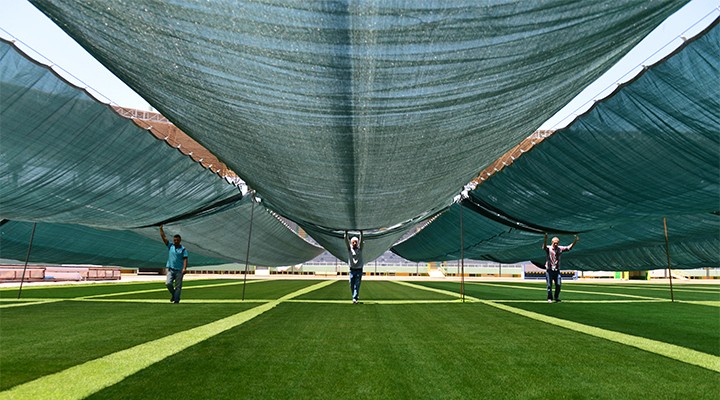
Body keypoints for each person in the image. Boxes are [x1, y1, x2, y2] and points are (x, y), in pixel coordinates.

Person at [541, 233, 578, 303]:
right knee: (549, 285)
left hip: (557, 270)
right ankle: (550, 298)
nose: (556, 245)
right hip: (549, 270)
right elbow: (544, 247)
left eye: (557, 243)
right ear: (552, 242)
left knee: (558, 284)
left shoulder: (560, 249)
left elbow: (569, 247)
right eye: (555, 243)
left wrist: (575, 241)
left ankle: (556, 297)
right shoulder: (548, 248)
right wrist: (545, 239)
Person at [160, 225, 188, 304]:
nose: (175, 241)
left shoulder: (183, 249)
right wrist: (161, 229)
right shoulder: (170, 246)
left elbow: (185, 258)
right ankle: (174, 294)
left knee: (178, 287)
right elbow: (164, 238)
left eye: (177, 240)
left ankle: (176, 300)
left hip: (179, 270)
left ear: (180, 241)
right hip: (170, 269)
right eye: (174, 240)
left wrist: (184, 268)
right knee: (168, 283)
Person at [344, 230, 364, 304]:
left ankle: (354, 298)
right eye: (353, 242)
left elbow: (362, 241)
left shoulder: (360, 249)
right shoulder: (350, 250)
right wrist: (346, 234)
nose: (355, 243)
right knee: (351, 283)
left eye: (356, 242)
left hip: (359, 269)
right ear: (351, 243)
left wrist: (361, 233)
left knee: (357, 284)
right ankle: (355, 296)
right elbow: (346, 241)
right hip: (352, 270)